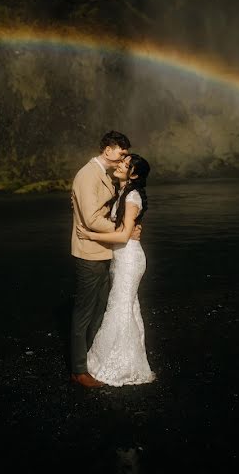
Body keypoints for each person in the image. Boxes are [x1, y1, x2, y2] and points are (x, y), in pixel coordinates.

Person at [76, 154, 156, 387]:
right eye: (121, 161)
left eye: (125, 164)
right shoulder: (120, 191)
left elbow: (123, 234)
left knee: (118, 308)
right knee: (128, 307)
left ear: (134, 174)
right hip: (121, 258)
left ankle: (116, 365)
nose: (120, 165)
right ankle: (133, 359)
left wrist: (91, 235)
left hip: (129, 259)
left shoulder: (131, 196)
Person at [69, 131, 140, 388]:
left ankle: (89, 361)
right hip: (89, 252)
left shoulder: (105, 175)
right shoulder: (87, 175)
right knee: (84, 313)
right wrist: (124, 230)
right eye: (121, 153)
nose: (123, 159)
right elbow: (91, 220)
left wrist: (124, 227)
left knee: (99, 309)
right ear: (107, 150)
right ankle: (78, 370)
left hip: (103, 251)